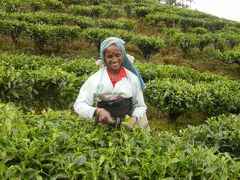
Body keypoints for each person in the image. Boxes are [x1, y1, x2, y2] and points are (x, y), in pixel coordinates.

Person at [74, 37, 149, 130]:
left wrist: (133, 119)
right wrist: (97, 111)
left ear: (123, 56)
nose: (114, 60)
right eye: (109, 56)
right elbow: (79, 104)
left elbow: (140, 105)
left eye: (118, 55)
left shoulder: (132, 79)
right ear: (104, 58)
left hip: (127, 128)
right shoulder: (96, 79)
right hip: (103, 127)